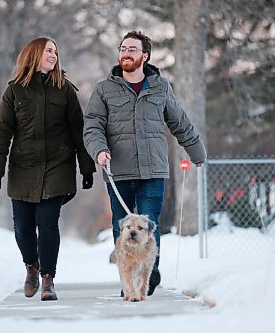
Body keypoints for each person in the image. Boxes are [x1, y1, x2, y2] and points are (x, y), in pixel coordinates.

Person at [83, 31, 206, 296]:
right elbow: (92, 125)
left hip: (153, 170)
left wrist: (197, 153)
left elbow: (179, 122)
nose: (126, 53)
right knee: (123, 224)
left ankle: (149, 273)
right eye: (123, 48)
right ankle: (128, 281)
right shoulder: (104, 89)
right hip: (118, 170)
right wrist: (99, 150)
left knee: (149, 224)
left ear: (144, 56)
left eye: (132, 49)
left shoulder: (160, 87)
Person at [0, 37, 96, 301]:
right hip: (23, 167)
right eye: (49, 50)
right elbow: (3, 132)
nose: (54, 55)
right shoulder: (14, 91)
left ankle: (48, 279)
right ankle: (31, 266)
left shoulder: (65, 90)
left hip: (58, 166)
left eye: (56, 51)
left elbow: (78, 131)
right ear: (34, 54)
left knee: (47, 224)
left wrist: (86, 167)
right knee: (22, 227)